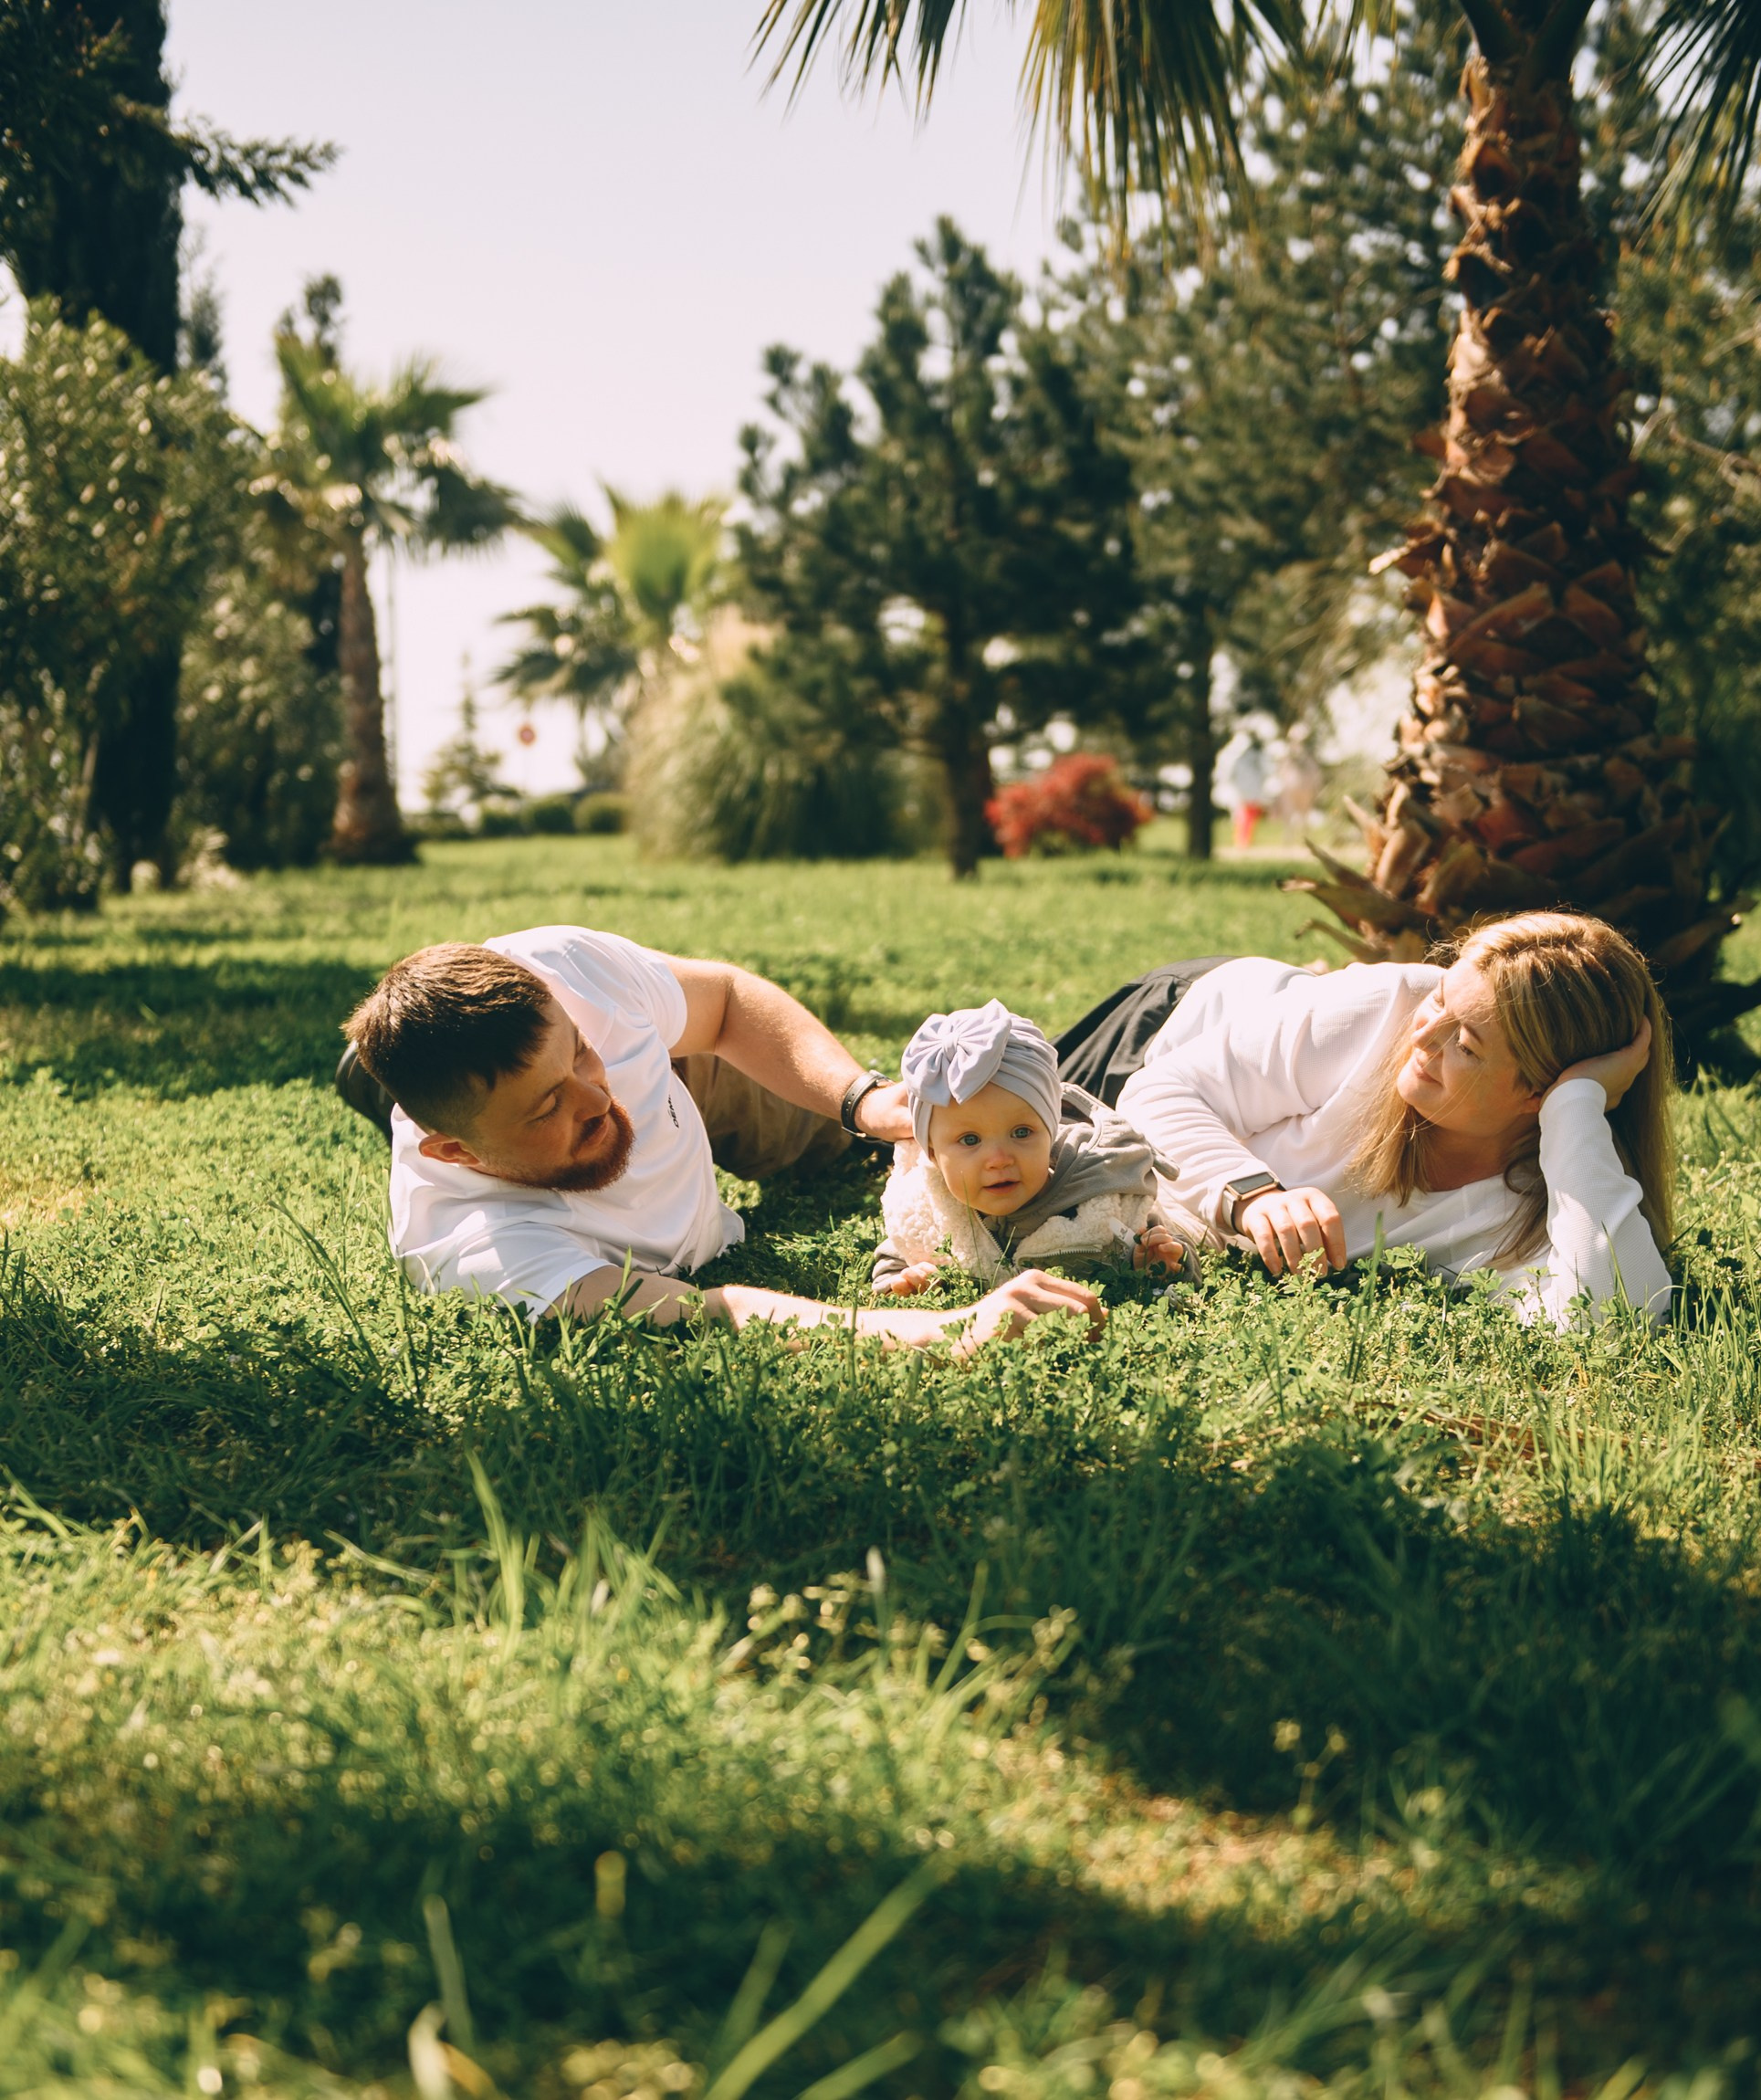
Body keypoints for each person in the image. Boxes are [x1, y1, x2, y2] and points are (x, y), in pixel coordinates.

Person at [339, 925, 1102, 1349]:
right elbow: (710, 1308)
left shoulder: (570, 975)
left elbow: (730, 1002)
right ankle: (372, 1076)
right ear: (456, 1153)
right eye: (545, 1109)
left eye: (577, 1051)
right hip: (612, 1166)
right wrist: (945, 1331)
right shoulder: (479, 1247)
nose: (595, 1096)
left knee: (836, 1132)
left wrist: (860, 1101)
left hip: (690, 1089)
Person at [1095, 913, 1674, 1328]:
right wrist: (1253, 1194)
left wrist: (1576, 1105)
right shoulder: (1388, 1005)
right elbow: (1159, 1091)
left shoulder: (1537, 1199)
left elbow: (1611, 1314)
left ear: (1538, 1093)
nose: (1421, 1037)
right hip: (1160, 1031)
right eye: (1441, 999)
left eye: (1467, 1046)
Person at [871, 1000, 1199, 1293]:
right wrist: (901, 1280)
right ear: (931, 1151)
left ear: (1050, 1130)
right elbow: (895, 1255)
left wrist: (1165, 1264)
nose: (999, 1159)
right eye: (970, 1140)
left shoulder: (1106, 1192)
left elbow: (1174, 1249)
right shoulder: (926, 1209)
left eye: (1022, 1132)